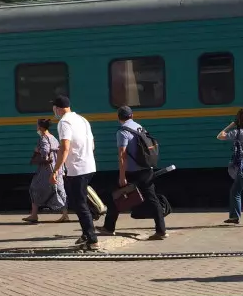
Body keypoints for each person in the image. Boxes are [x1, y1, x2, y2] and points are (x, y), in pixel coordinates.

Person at [102, 106, 167, 240]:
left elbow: (122, 156)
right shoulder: (139, 127)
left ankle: (109, 228)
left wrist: (122, 176)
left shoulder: (122, 132)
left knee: (115, 196)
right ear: (132, 115)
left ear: (118, 117)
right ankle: (161, 231)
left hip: (132, 172)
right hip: (147, 168)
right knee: (152, 199)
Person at [51, 95, 98, 252]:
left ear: (58, 108)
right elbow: (91, 144)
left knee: (80, 204)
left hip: (77, 169)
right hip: (89, 166)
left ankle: (92, 240)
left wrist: (56, 169)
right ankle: (86, 234)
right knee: (80, 201)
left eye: (54, 108)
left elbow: (65, 147)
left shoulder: (64, 122)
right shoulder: (82, 119)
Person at [25, 119, 69, 223]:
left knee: (34, 188)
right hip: (56, 167)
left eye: (37, 126)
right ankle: (65, 214)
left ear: (40, 127)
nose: (36, 128)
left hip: (46, 169)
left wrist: (37, 150)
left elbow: (45, 153)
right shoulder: (53, 137)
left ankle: (34, 215)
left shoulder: (44, 138)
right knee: (59, 189)